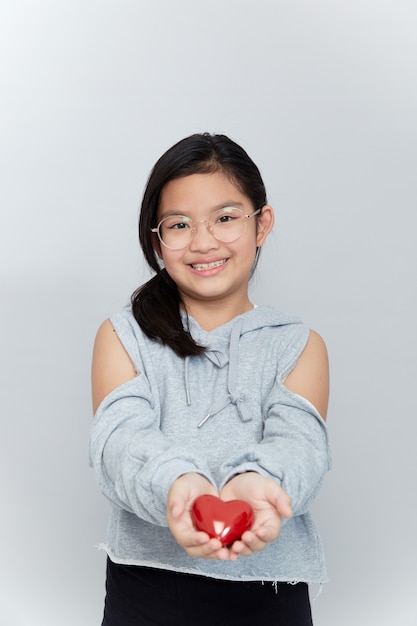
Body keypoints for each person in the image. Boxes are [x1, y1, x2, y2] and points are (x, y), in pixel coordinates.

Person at [89, 133, 331, 626]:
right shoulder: (122, 335)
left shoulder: (298, 343)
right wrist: (182, 486)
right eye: (179, 224)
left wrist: (256, 484)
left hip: (271, 591)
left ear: (261, 224)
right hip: (146, 588)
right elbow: (120, 440)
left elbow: (300, 443)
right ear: (157, 241)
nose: (203, 242)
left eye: (225, 218)